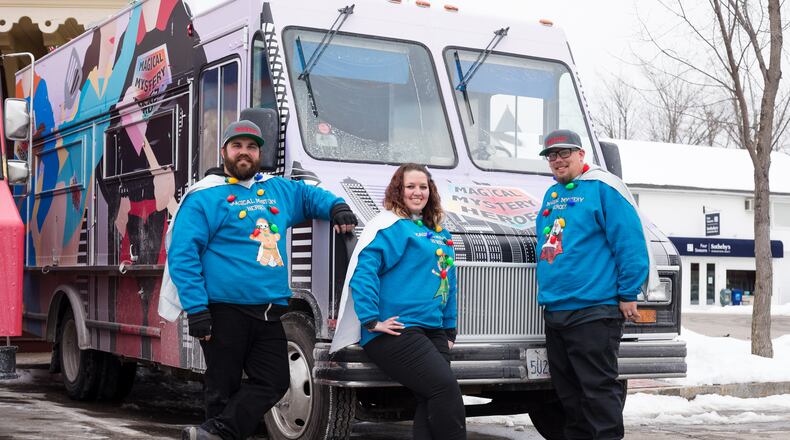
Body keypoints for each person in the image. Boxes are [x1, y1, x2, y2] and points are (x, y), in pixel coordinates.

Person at [162, 119, 358, 440]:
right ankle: (217, 433)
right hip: (224, 311)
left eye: (252, 147)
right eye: (237, 146)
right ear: (224, 151)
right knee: (222, 388)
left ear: (259, 153)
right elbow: (184, 255)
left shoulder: (276, 189)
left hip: (269, 312)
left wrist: (337, 208)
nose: (245, 152)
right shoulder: (204, 197)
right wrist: (197, 309)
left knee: (275, 381)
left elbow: (310, 197)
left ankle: (214, 434)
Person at [535, 129, 658, 440]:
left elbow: (629, 242)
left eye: (564, 153)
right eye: (552, 156)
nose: (558, 160)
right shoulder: (553, 194)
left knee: (598, 391)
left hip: (593, 309)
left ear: (581, 154)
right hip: (557, 309)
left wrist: (628, 292)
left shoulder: (604, 188)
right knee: (568, 394)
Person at [330, 163, 466, 440]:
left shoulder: (440, 233)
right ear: (398, 191)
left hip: (433, 330)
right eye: (410, 187)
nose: (418, 192)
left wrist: (449, 327)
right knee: (445, 389)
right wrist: (370, 320)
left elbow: (447, 282)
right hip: (397, 330)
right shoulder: (389, 228)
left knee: (430, 396)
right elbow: (364, 272)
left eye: (423, 187)